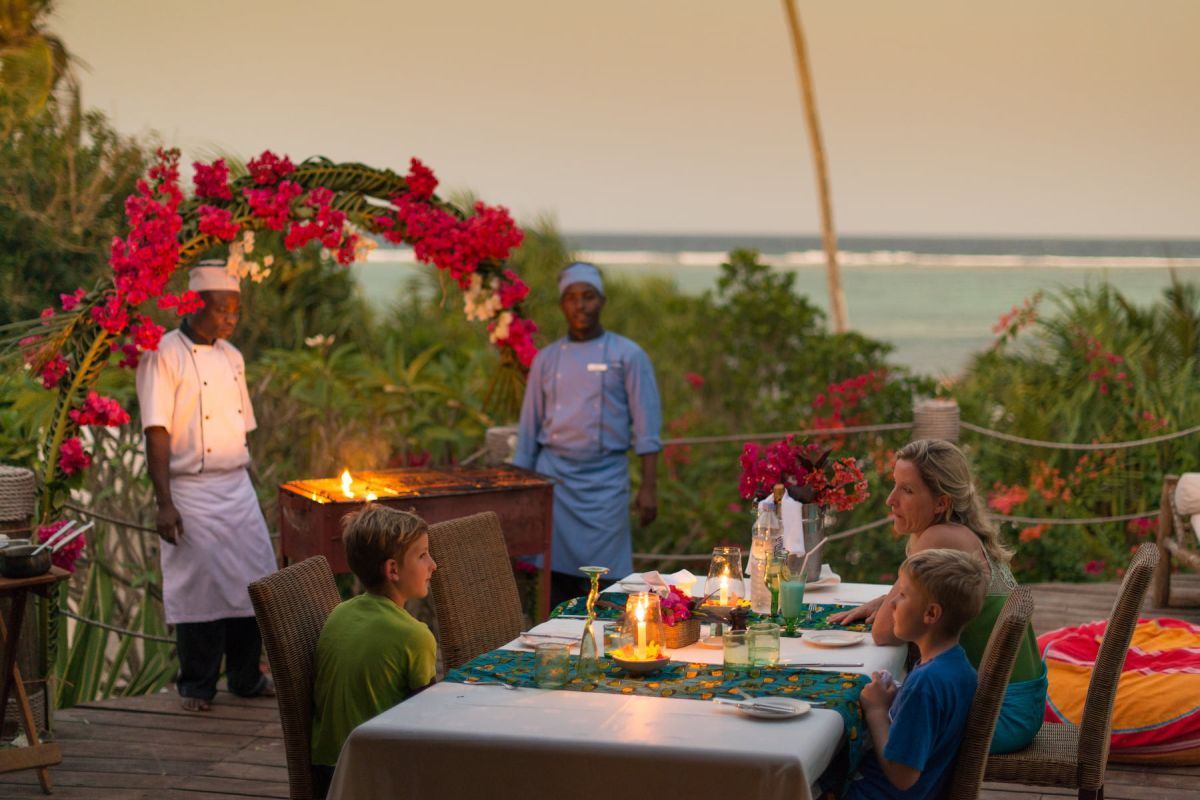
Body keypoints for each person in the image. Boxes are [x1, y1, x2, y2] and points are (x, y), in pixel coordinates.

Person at [830, 438, 1047, 753]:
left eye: (907, 490)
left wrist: (889, 602)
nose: (891, 500)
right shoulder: (963, 532)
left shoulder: (939, 537)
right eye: (894, 485)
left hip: (996, 717)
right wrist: (886, 600)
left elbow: (883, 633)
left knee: (862, 718)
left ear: (942, 503)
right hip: (1020, 705)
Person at [136, 260, 278, 713]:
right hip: (189, 490)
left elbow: (240, 432)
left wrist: (252, 490)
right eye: (221, 309)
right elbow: (156, 430)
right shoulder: (163, 354)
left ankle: (245, 677)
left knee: (254, 580)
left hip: (236, 487)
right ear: (194, 304)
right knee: (199, 589)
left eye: (236, 310)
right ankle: (197, 687)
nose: (231, 318)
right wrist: (164, 503)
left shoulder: (232, 358)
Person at [513, 261, 662, 608]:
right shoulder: (546, 360)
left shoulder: (629, 355)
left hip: (606, 485)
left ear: (602, 301)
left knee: (609, 585)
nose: (580, 305)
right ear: (562, 305)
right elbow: (528, 432)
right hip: (556, 483)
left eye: (588, 296)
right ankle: (558, 636)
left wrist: (649, 487)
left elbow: (647, 428)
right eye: (571, 297)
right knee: (557, 583)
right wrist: (521, 495)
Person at [310, 505, 437, 797]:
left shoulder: (339, 614)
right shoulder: (415, 635)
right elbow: (428, 721)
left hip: (326, 769)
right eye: (422, 555)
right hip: (375, 773)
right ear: (392, 570)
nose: (433, 565)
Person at [846, 548, 987, 800]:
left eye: (902, 595)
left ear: (931, 613)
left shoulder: (926, 683)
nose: (891, 603)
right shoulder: (958, 666)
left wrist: (876, 710)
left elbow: (902, 775)